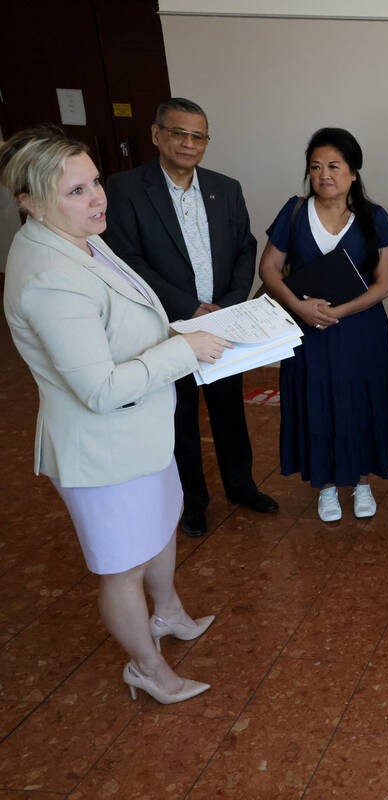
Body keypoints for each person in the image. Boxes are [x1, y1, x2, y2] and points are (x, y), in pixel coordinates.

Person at [1, 127, 228, 704]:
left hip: (140, 430)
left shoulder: (79, 238)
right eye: (76, 190)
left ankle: (169, 612)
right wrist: (182, 349)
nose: (98, 198)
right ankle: (147, 669)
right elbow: (99, 388)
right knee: (122, 567)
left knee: (158, 527)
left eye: (95, 181)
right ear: (28, 199)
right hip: (101, 447)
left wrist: (172, 334)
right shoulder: (49, 279)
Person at [103, 97, 277, 537]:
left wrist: (231, 303)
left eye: (198, 136)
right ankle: (192, 501)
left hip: (221, 320)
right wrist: (186, 307)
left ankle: (241, 486)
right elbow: (126, 258)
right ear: (156, 135)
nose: (188, 143)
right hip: (167, 324)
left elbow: (245, 247)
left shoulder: (225, 187)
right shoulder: (126, 189)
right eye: (178, 133)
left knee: (229, 411)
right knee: (179, 415)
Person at [258, 127, 388, 523]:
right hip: (307, 330)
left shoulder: (375, 217)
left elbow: (384, 284)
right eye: (315, 166)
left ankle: (361, 482)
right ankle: (325, 486)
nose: (324, 174)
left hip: (359, 330)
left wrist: (338, 312)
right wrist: (299, 307)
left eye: (334, 166)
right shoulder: (293, 211)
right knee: (315, 399)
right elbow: (269, 268)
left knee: (361, 399)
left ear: (353, 171)